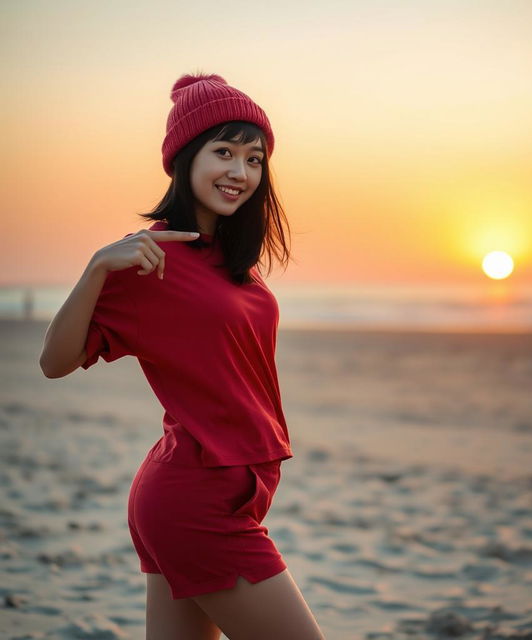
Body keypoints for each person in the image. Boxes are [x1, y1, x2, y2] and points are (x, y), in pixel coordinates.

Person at [39, 72, 326, 640]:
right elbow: (55, 362)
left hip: (220, 491)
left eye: (254, 158)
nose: (240, 172)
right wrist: (97, 267)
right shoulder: (147, 260)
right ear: (184, 158)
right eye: (223, 152)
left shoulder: (229, 258)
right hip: (195, 500)